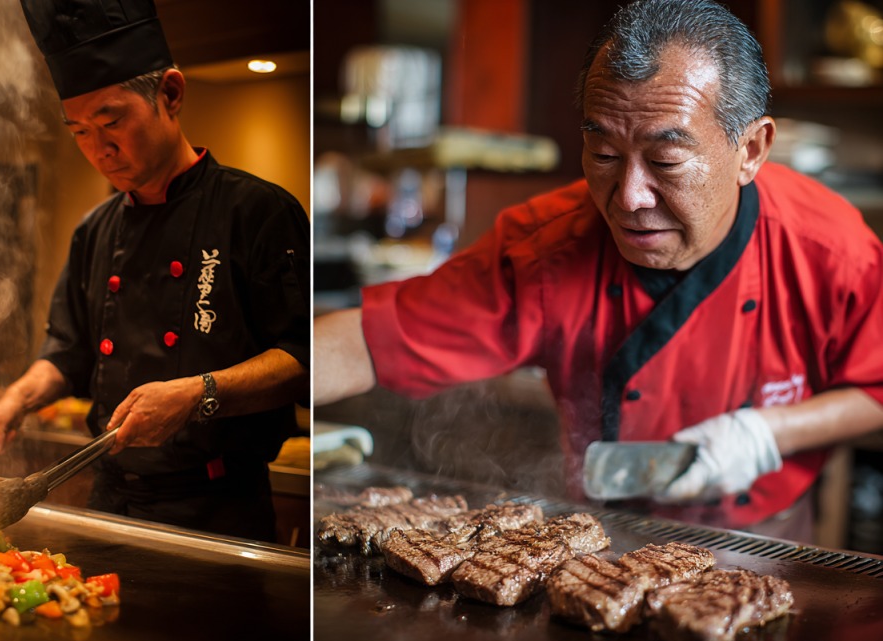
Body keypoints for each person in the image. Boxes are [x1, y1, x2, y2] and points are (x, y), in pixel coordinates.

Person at [314, 0, 883, 541]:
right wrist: (238, 387)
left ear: (752, 150)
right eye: (605, 155)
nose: (630, 197)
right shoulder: (548, 245)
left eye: (665, 161)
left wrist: (763, 434)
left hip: (764, 528)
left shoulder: (828, 247)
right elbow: (370, 339)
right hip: (602, 532)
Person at [0, 0, 310, 542]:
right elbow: (67, 352)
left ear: (170, 94)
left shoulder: (258, 212)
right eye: (79, 131)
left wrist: (196, 394)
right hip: (108, 499)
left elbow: (303, 358)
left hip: (220, 511)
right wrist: (21, 394)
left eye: (112, 121)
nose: (99, 150)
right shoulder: (94, 230)